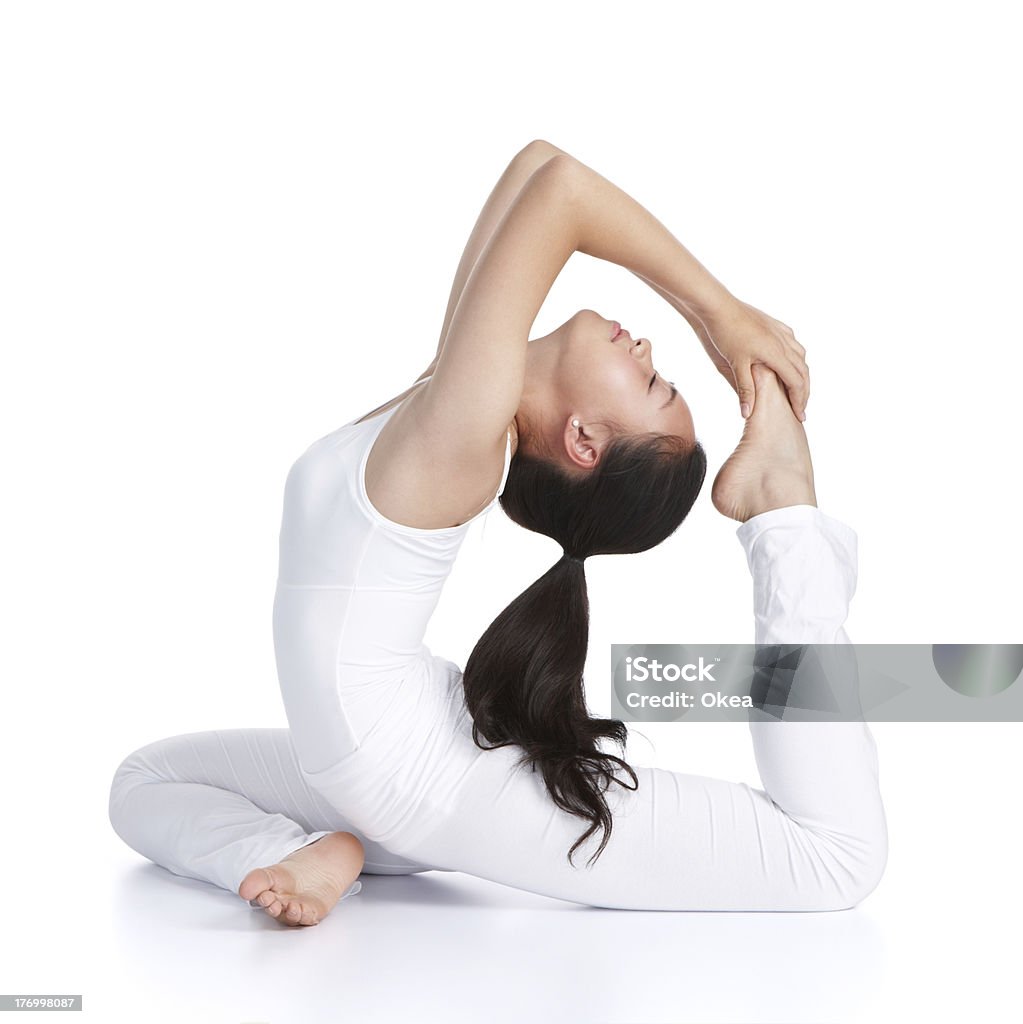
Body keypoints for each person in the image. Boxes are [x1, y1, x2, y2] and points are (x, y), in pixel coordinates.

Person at [108, 141, 886, 926]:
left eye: (652, 384)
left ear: (582, 441)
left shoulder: (459, 439)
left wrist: (723, 317)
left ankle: (782, 506)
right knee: (142, 781)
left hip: (433, 781)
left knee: (835, 860)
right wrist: (715, 322)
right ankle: (291, 853)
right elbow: (537, 164)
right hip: (382, 761)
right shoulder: (449, 400)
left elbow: (563, 195)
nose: (646, 348)